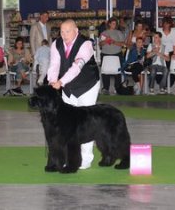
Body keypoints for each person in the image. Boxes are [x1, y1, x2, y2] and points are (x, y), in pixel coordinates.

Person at [47, 19, 100, 169]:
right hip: (68, 88)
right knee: (67, 124)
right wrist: (52, 81)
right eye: (62, 31)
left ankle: (86, 160)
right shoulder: (56, 44)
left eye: (68, 31)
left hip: (87, 86)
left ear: (76, 31)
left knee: (86, 123)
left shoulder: (86, 44)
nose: (64, 35)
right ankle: (68, 157)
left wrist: (61, 82)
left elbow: (77, 67)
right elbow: (54, 64)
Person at [99, 18, 125, 94]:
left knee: (117, 71)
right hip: (105, 53)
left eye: (115, 23)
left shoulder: (119, 33)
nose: (114, 25)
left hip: (117, 54)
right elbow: (100, 44)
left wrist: (114, 42)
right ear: (109, 24)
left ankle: (117, 87)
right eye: (112, 23)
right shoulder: (104, 33)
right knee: (105, 71)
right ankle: (105, 88)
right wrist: (106, 41)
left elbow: (122, 44)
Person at [160, 16, 175, 94]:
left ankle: (168, 86)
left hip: (171, 52)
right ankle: (162, 85)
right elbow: (158, 42)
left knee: (171, 70)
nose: (167, 25)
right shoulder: (159, 31)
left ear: (170, 24)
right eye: (165, 23)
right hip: (162, 52)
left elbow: (174, 44)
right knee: (163, 70)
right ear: (163, 24)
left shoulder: (174, 32)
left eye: (168, 24)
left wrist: (174, 54)